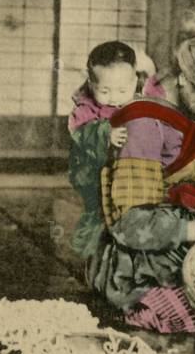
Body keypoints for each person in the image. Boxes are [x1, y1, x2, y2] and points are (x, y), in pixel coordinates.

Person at [84, 3, 195, 333]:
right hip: (139, 265)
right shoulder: (144, 123)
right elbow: (130, 224)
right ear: (188, 77)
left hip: (186, 243)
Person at [68, 41, 166, 260]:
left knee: (137, 215)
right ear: (91, 84)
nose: (114, 97)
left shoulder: (140, 92)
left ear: (134, 81)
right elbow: (80, 134)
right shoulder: (87, 107)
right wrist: (104, 133)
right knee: (101, 221)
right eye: (104, 90)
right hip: (100, 175)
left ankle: (135, 253)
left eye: (122, 90)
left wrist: (151, 72)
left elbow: (158, 93)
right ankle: (99, 259)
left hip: (135, 174)